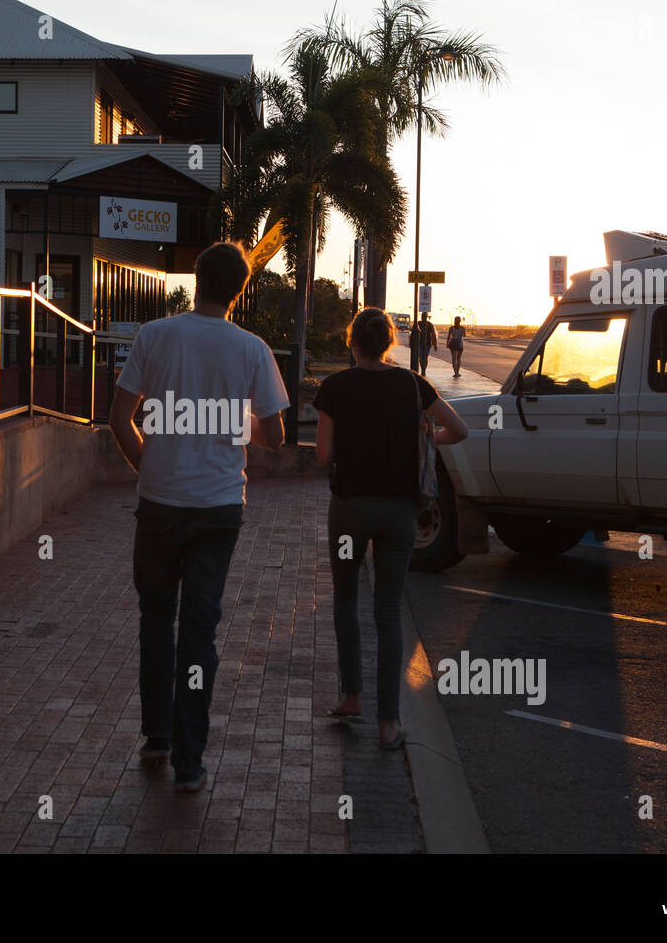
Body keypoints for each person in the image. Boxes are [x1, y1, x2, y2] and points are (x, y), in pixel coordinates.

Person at [109, 242, 291, 792]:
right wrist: (236, 422)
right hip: (218, 508)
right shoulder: (253, 349)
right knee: (199, 632)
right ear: (239, 291)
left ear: (196, 280)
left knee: (155, 621)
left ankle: (156, 737)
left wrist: (149, 466)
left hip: (160, 503)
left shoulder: (154, 336)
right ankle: (190, 761)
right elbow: (277, 436)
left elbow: (119, 417)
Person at [313, 308, 468, 749]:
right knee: (387, 612)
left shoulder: (335, 388)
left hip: (348, 513)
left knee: (346, 601)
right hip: (399, 516)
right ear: (389, 343)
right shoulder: (411, 384)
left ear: (352, 342)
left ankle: (351, 697)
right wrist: (425, 440)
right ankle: (388, 723)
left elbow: (324, 457)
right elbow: (458, 429)